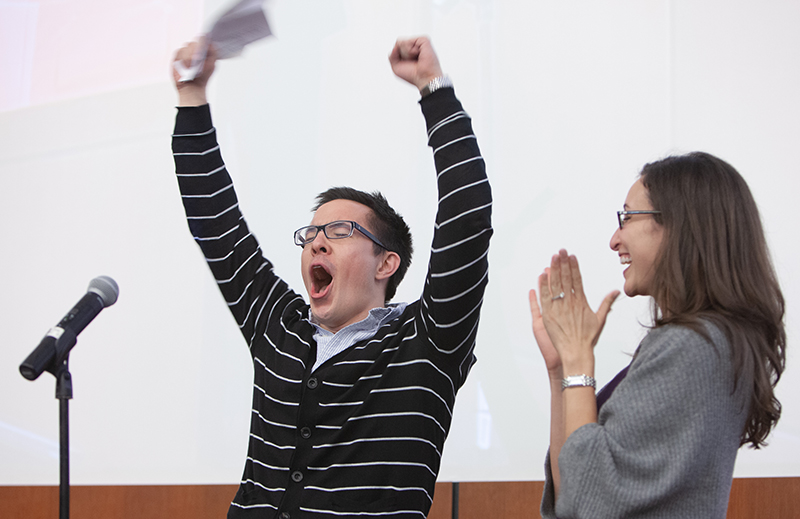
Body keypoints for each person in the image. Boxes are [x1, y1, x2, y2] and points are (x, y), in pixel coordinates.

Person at [171, 36, 492, 518]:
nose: (317, 242)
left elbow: (468, 217)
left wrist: (433, 88)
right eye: (312, 233)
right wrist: (192, 97)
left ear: (387, 263)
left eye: (339, 232)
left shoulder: (428, 341)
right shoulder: (279, 329)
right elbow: (216, 224)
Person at [529, 152, 785, 518]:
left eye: (628, 217)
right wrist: (561, 371)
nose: (615, 239)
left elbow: (588, 500)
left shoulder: (693, 347)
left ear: (681, 225)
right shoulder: (705, 343)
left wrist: (579, 359)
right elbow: (571, 492)